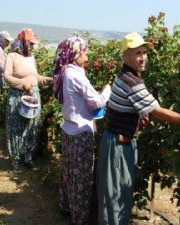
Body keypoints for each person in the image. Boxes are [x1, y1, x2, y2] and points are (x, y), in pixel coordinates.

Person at [97, 32, 180, 225]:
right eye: (137, 53)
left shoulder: (125, 75)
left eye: (144, 52)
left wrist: (136, 118)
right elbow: (157, 111)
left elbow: (125, 109)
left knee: (118, 198)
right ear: (125, 56)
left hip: (118, 142)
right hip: (118, 147)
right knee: (115, 202)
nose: (143, 57)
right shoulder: (132, 82)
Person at [53, 36, 111, 225]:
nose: (87, 57)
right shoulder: (75, 75)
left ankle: (67, 207)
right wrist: (108, 90)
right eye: (84, 52)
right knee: (81, 178)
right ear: (75, 53)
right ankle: (80, 219)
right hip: (81, 133)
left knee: (69, 172)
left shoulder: (65, 72)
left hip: (69, 130)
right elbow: (98, 101)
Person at [4, 28, 52, 173]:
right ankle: (16, 160)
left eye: (33, 44)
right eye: (30, 43)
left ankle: (28, 158)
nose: (32, 46)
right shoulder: (12, 56)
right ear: (22, 43)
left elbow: (35, 76)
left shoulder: (31, 57)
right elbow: (7, 76)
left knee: (32, 126)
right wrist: (22, 83)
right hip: (18, 96)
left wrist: (47, 79)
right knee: (16, 128)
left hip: (33, 96)